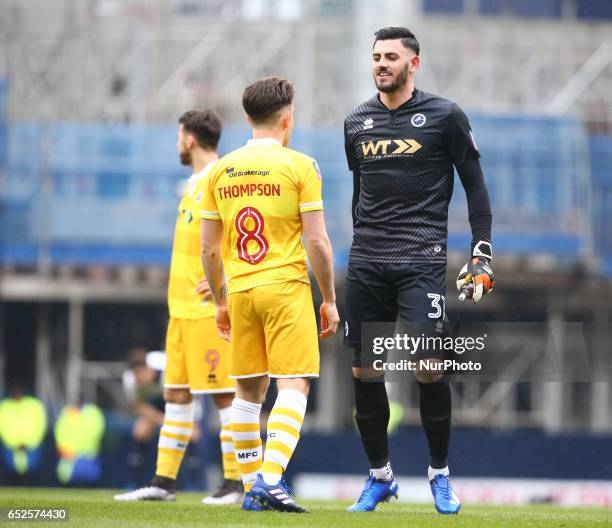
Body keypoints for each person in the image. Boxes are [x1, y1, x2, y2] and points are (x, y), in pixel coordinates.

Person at [343, 27, 494, 514]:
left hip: (421, 260)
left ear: (414, 63)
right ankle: (380, 476)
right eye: (376, 57)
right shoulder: (356, 122)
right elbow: (359, 194)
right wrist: (360, 242)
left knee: (430, 368)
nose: (381, 64)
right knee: (366, 373)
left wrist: (481, 252)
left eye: (391, 57)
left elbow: (474, 186)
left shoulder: (446, 116)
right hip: (366, 262)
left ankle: (439, 474)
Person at [200, 76, 340, 513]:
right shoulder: (301, 167)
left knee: (247, 393)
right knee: (293, 383)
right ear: (287, 118)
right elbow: (317, 242)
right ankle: (271, 477)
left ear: (247, 118)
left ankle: (250, 490)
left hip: (240, 290)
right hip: (284, 287)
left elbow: (208, 247)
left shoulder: (219, 171)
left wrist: (221, 301)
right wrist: (330, 298)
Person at [115, 110, 242, 504]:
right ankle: (163, 483)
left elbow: (247, 232)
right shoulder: (193, 184)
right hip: (181, 310)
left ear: (190, 139)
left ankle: (235, 484)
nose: (176, 143)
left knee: (224, 396)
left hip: (208, 311)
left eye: (178, 136)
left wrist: (230, 277)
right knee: (176, 395)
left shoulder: (222, 179)